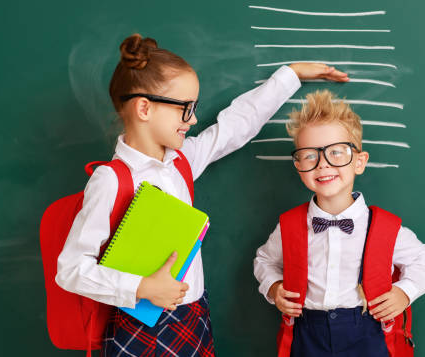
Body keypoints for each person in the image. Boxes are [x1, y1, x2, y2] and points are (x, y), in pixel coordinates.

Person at [56, 34, 348, 356]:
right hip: (139, 328)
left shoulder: (181, 161)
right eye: (186, 109)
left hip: (193, 317)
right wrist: (142, 287)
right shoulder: (111, 180)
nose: (193, 119)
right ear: (144, 108)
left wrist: (290, 75)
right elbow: (71, 269)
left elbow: (235, 126)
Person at [254, 90, 425, 356]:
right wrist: (274, 288)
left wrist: (404, 293)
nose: (323, 164)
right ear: (298, 165)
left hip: (369, 333)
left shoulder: (386, 228)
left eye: (336, 153)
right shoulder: (289, 225)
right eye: (310, 155)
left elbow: (422, 261)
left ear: (359, 162)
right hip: (306, 335)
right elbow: (265, 261)